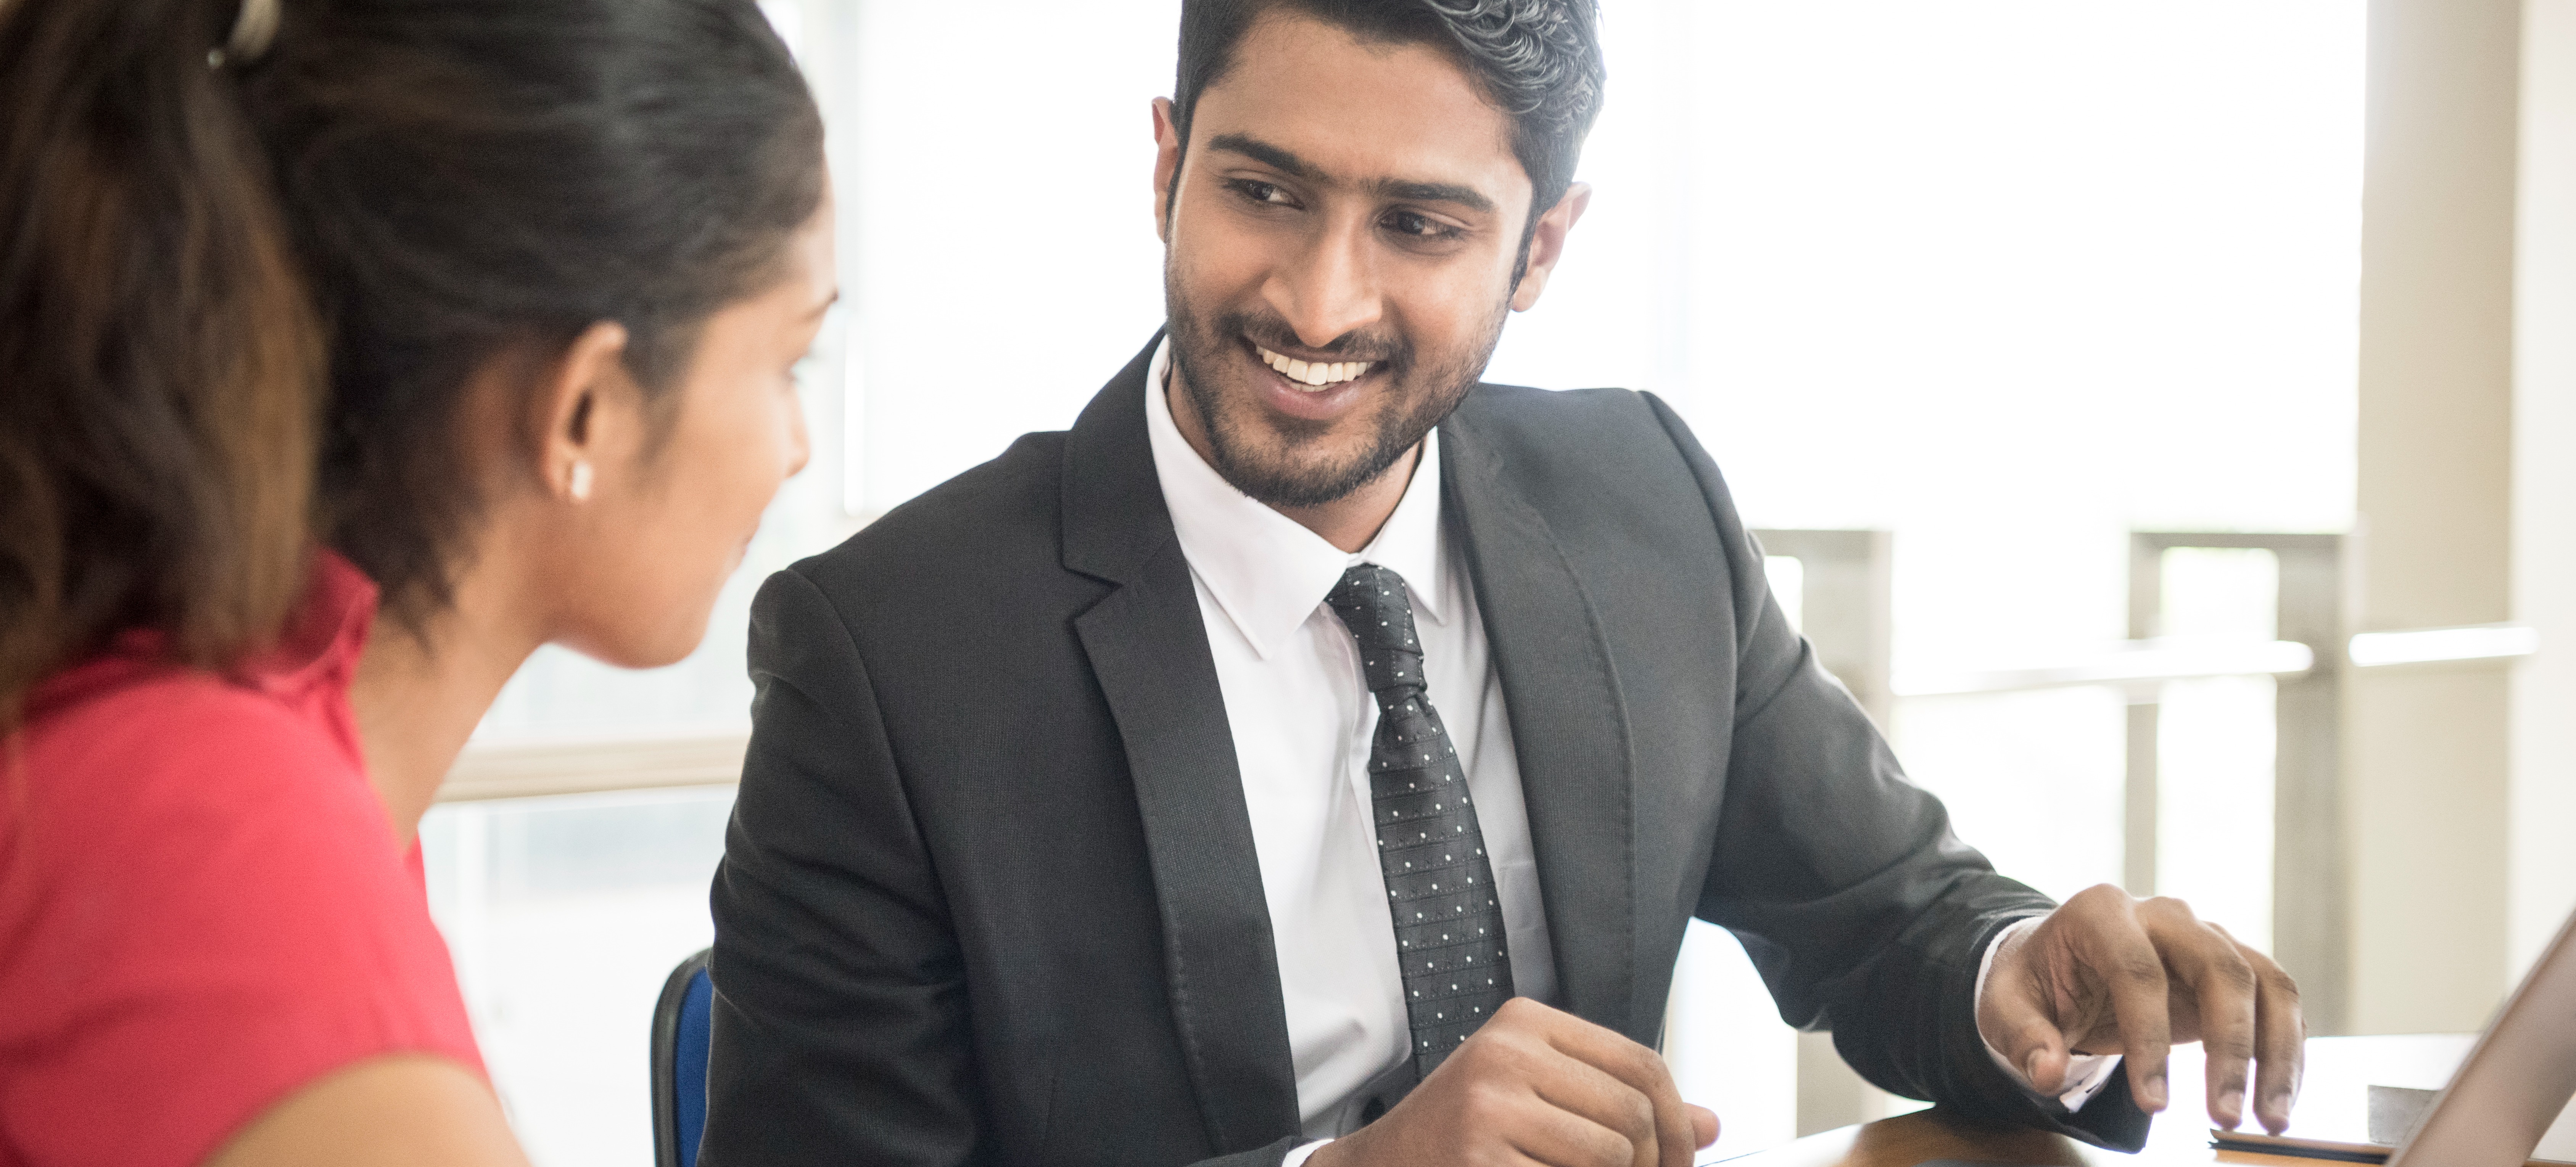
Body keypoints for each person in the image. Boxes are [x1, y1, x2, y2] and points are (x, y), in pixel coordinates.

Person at [702, 2, 2304, 1165]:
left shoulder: (1641, 503)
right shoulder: (892, 654)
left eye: (1418, 225)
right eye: (1262, 191)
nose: (1317, 301)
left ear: (1539, 251)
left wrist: (2017, 979)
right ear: (1165, 163)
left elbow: (1881, 917)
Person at [0, 0, 829, 1161]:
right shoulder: (230, 867)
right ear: (586, 407)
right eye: (790, 361)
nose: (798, 446)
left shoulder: (265, 762)